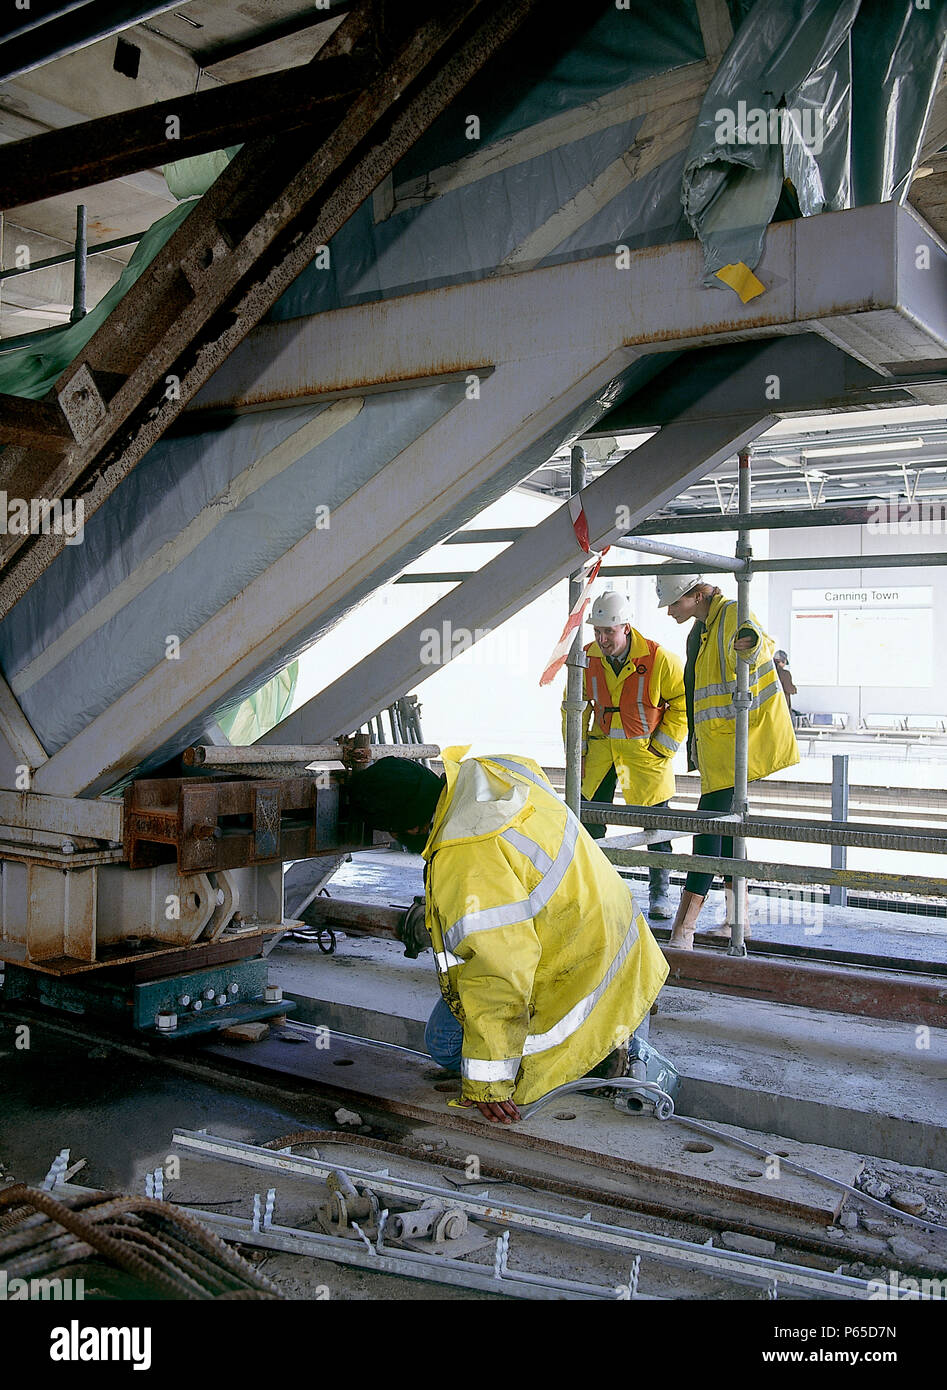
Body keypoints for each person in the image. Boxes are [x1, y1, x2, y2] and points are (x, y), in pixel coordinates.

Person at [347, 749, 669, 1123]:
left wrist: (489, 1084)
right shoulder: (491, 772)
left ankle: (596, 1056)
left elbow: (498, 973)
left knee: (446, 1043)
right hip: (622, 939)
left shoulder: (468, 859)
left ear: (413, 829)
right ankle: (623, 1017)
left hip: (583, 972)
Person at [656, 568, 799, 950]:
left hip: (740, 743)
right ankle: (740, 920)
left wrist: (749, 643)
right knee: (730, 830)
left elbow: (758, 644)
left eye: (675, 602)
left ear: (698, 594)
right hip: (719, 746)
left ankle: (683, 928)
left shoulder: (734, 613)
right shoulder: (700, 631)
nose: (670, 610)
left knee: (708, 830)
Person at [563, 590, 686, 919]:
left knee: (656, 829)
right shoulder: (586, 657)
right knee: (588, 824)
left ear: (626, 628)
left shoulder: (660, 659)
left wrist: (663, 746)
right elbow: (572, 708)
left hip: (644, 756)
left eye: (608, 632)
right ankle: (593, 891)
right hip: (601, 754)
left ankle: (660, 892)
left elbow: (683, 704)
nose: (602, 639)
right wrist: (577, 752)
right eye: (597, 631)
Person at [774, 650, 798, 714]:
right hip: (782, 707)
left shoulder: (768, 673)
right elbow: (789, 689)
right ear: (782, 661)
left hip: (772, 707)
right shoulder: (785, 674)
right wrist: (794, 689)